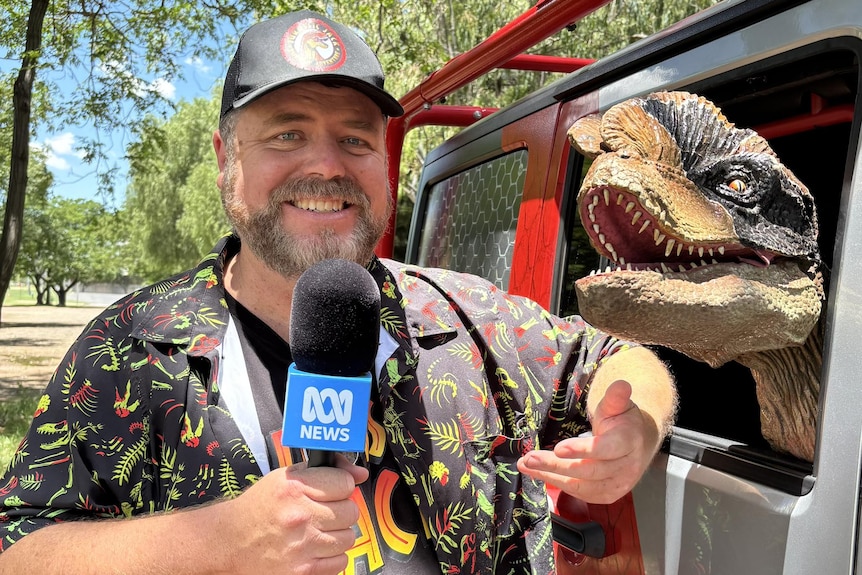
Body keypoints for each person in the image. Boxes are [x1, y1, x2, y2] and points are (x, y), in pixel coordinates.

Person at [0, 10, 676, 575]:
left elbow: (613, 356)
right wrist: (220, 540)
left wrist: (636, 424)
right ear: (225, 158)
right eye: (287, 132)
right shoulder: (130, 348)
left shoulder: (470, 319)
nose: (325, 164)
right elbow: (17, 548)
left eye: (355, 139)